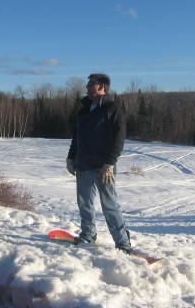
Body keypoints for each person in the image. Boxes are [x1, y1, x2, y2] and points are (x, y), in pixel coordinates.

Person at [66, 73, 132, 254]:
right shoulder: (83, 110)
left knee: (110, 205)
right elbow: (76, 138)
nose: (87, 87)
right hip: (83, 165)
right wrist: (71, 157)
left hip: (104, 167)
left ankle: (122, 243)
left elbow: (119, 139)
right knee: (85, 203)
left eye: (91, 84)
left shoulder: (112, 109)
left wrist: (110, 163)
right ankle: (88, 234)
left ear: (101, 86)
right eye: (88, 84)